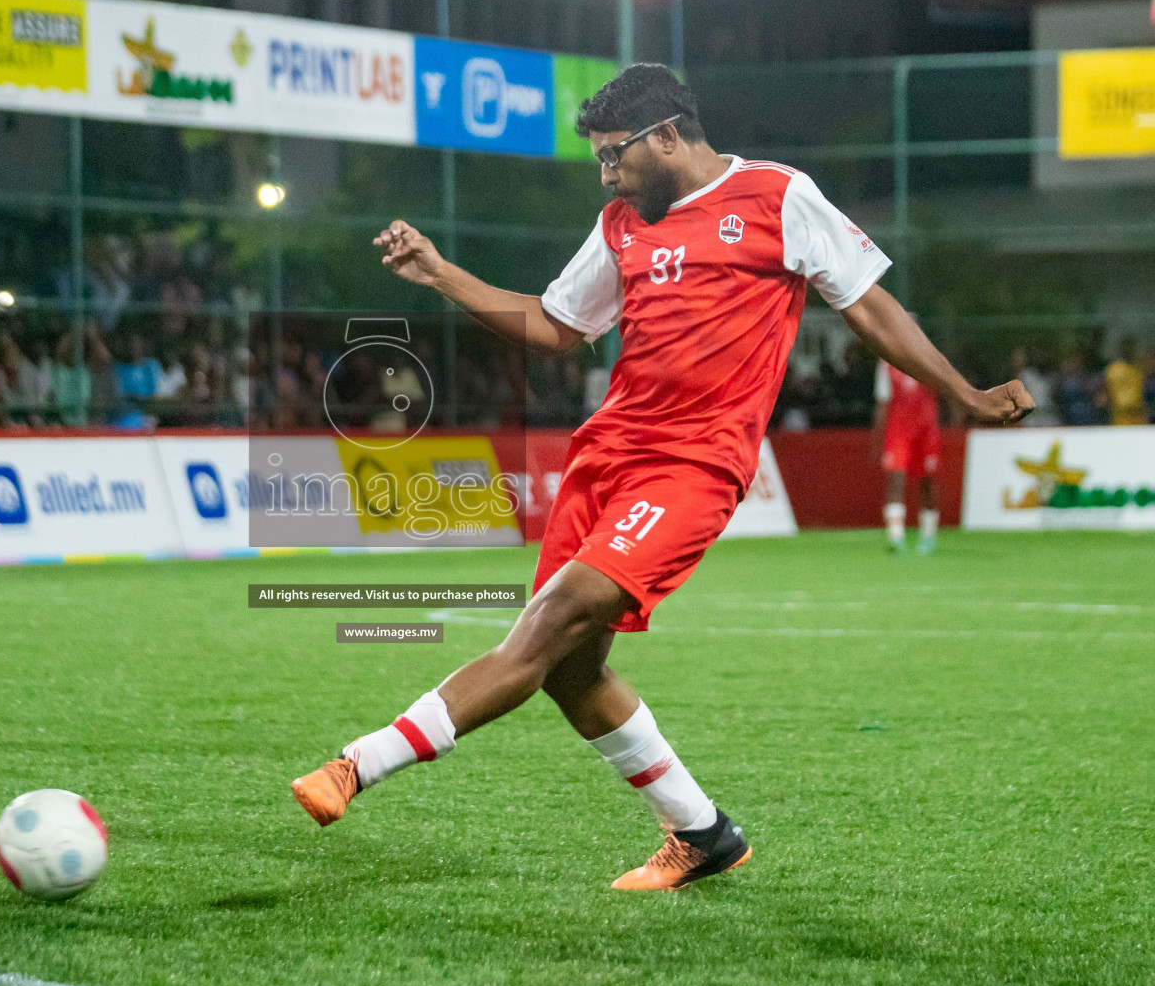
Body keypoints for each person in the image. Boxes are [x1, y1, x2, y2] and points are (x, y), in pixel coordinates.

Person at [288, 66, 1033, 892]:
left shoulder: (776, 196)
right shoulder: (620, 225)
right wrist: (440, 274)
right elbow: (554, 325)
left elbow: (868, 304)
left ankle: (358, 764)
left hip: (694, 465)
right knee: (571, 672)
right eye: (601, 159)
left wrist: (962, 392)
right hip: (605, 458)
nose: (608, 174)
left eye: (615, 155)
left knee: (553, 619)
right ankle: (703, 833)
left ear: (668, 136)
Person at [874, 355, 942, 553]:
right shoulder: (886, 362)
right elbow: (882, 400)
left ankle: (928, 536)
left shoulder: (926, 355)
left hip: (926, 428)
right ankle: (896, 537)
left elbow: (943, 389)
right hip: (898, 429)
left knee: (928, 481)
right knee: (895, 479)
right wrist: (878, 437)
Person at [1100, 337, 1148, 426]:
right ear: (1122, 349)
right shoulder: (1113, 369)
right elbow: (1106, 392)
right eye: (1127, 347)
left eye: (1132, 347)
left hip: (1137, 415)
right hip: (1120, 416)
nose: (1129, 350)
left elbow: (1142, 393)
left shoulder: (1138, 370)